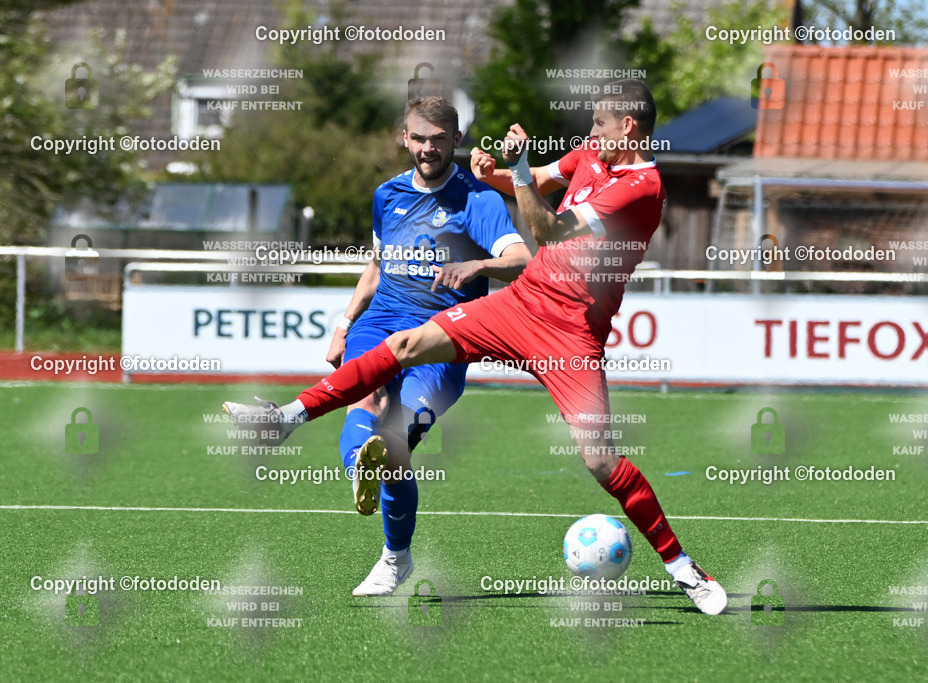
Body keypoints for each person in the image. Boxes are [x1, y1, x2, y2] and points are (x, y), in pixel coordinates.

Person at [225, 80, 728, 615]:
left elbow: (547, 229)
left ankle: (684, 569)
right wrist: (499, 170)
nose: (590, 132)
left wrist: (514, 174)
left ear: (627, 126)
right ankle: (285, 419)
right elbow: (533, 182)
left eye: (599, 123)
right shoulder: (592, 154)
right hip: (521, 302)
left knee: (599, 460)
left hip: (570, 333)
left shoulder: (641, 186)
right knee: (403, 344)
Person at [279, 96, 529, 597]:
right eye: (419, 138)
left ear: (456, 140)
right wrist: (345, 323)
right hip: (380, 323)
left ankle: (397, 556)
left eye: (439, 139)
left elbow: (522, 258)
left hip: (444, 337)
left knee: (396, 443)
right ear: (405, 137)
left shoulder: (477, 200)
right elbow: (377, 265)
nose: (428, 148)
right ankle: (361, 475)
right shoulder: (386, 194)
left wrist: (478, 267)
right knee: (365, 401)